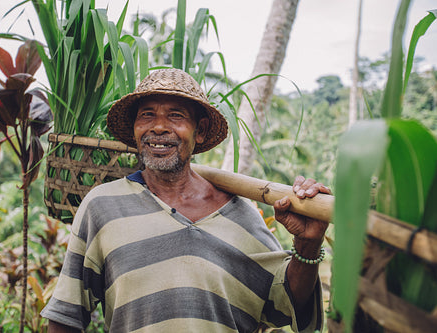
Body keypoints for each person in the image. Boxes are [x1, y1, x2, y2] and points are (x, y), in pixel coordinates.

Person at [41, 68, 331, 333]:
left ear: (200, 130)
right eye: (147, 115)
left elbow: (286, 305)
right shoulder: (102, 206)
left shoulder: (241, 215)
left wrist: (308, 243)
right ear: (134, 129)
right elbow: (66, 315)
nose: (158, 127)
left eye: (176, 116)